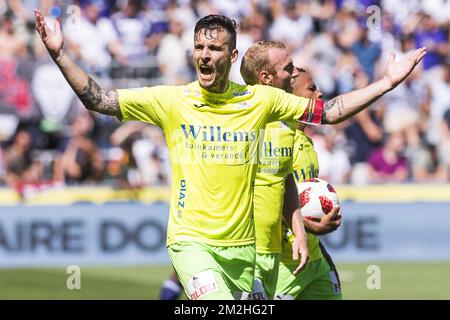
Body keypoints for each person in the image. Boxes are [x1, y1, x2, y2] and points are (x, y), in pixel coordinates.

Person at [34, 9, 426, 299]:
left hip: (243, 254)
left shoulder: (260, 101)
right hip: (191, 243)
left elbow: (331, 112)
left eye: (215, 48)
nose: (205, 55)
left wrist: (387, 83)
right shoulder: (172, 100)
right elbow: (99, 100)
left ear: (232, 56)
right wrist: (59, 54)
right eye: (199, 47)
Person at [239, 41, 312, 300]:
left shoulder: (286, 122)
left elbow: (284, 178)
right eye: (288, 67)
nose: (295, 73)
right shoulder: (238, 119)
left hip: (272, 250)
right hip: (242, 249)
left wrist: (299, 231)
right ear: (266, 78)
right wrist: (386, 84)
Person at [275, 68, 342, 300]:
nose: (320, 94)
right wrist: (311, 227)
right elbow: (270, 202)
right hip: (284, 265)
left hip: (315, 262)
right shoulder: (276, 141)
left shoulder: (307, 143)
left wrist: (324, 255)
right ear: (291, 97)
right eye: (311, 89)